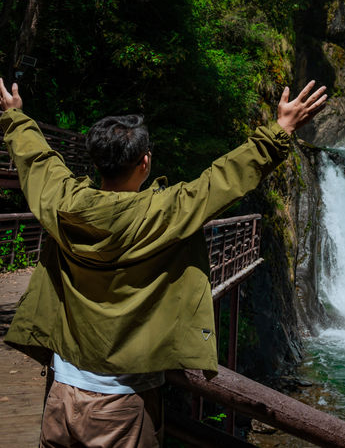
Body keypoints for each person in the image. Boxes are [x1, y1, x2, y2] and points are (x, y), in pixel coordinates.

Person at [0, 76, 326, 448]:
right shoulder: (163, 211)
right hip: (124, 403)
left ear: (97, 162)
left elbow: (38, 162)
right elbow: (223, 180)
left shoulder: (63, 202)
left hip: (62, 393)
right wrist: (281, 128)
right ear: (145, 161)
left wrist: (16, 118)